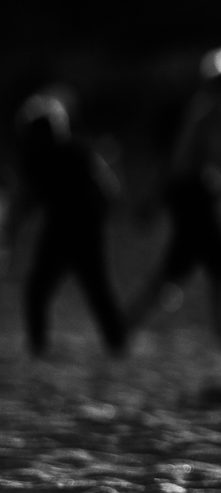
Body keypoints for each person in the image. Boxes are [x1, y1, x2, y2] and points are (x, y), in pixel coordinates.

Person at [131, 45, 221, 347]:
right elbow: (215, 152)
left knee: (178, 267)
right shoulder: (214, 110)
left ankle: (127, 325)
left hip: (188, 193)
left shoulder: (205, 106)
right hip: (192, 193)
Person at [2, 91, 129, 357]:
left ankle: (40, 346)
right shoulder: (76, 151)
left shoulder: (45, 157)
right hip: (80, 228)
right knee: (95, 288)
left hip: (65, 229)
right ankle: (116, 344)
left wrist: (11, 231)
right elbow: (110, 192)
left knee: (43, 289)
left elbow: (25, 200)